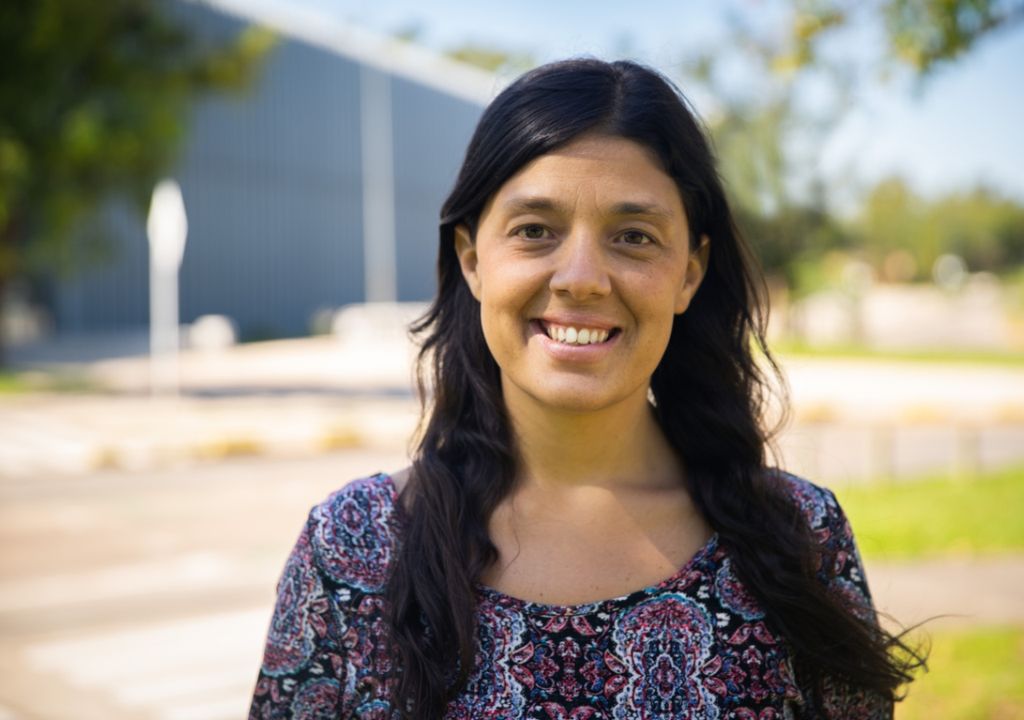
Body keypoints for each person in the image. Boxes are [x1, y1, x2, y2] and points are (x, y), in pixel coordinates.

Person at [248, 58, 921, 719]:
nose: (581, 278)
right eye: (535, 231)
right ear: (472, 259)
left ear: (690, 273)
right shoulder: (351, 550)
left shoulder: (798, 543)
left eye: (633, 237)